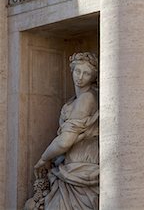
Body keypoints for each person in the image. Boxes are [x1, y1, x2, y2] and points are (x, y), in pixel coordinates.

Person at [25, 52, 99, 210]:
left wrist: (44, 159)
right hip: (69, 166)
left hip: (81, 166)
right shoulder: (74, 101)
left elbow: (66, 141)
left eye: (86, 73)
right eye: (77, 71)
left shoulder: (87, 99)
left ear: (93, 77)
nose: (80, 77)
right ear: (71, 71)